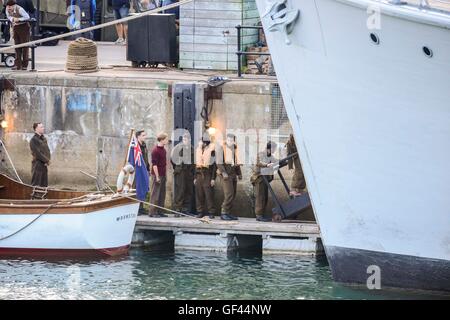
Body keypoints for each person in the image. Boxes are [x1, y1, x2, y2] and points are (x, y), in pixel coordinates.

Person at [217, 133, 242, 221]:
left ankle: (228, 213)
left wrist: (239, 173)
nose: (230, 142)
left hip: (233, 174)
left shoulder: (235, 149)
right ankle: (223, 213)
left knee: (233, 194)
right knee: (229, 194)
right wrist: (223, 173)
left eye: (231, 140)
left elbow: (236, 163)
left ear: (234, 141)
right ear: (226, 140)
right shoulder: (222, 148)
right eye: (228, 140)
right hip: (225, 174)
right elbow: (219, 162)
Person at [251, 141, 277, 222]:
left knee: (265, 197)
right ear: (270, 148)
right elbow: (259, 162)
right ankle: (259, 215)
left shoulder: (271, 156)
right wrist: (267, 165)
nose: (274, 150)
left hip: (265, 179)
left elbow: (276, 161)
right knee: (260, 197)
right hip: (259, 179)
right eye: (274, 149)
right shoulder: (261, 154)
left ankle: (262, 214)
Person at [171, 133, 195, 217]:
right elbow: (172, 159)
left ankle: (185, 209)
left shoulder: (192, 148)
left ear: (189, 140)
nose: (185, 141)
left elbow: (194, 161)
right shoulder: (178, 147)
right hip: (180, 172)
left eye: (187, 139)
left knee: (188, 191)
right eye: (184, 139)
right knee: (180, 190)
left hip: (189, 172)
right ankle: (178, 209)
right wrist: (177, 167)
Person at [194, 133, 217, 219]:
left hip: (208, 173)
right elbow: (195, 164)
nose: (199, 142)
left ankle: (211, 212)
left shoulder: (212, 150)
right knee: (199, 194)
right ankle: (200, 211)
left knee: (209, 194)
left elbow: (214, 165)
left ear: (205, 142)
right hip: (199, 173)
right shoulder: (198, 150)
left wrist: (213, 178)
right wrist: (195, 177)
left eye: (201, 141)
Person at [5, 0, 30, 70]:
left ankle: (25, 65)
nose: (8, 8)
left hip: (24, 27)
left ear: (14, 6)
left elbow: (27, 17)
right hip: (15, 27)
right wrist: (12, 19)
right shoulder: (7, 9)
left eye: (10, 7)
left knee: (25, 46)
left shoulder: (20, 9)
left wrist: (19, 19)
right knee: (17, 46)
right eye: (8, 7)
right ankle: (17, 65)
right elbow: (8, 16)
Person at [149, 132, 169, 217]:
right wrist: (157, 176)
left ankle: (160, 211)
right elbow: (154, 165)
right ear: (161, 140)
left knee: (162, 194)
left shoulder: (164, 150)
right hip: (157, 175)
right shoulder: (155, 151)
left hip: (163, 174)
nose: (167, 141)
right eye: (166, 139)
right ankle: (152, 212)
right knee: (155, 194)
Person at [29, 122, 50, 187]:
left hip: (44, 165)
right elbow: (37, 153)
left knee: (44, 184)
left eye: (43, 127)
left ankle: (43, 197)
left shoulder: (44, 139)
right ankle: (35, 196)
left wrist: (48, 160)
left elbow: (47, 150)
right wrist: (47, 160)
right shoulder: (33, 140)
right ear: (36, 129)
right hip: (37, 165)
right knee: (36, 184)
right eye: (41, 127)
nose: (43, 128)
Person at [135, 130, 150, 215]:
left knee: (143, 188)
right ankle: (137, 208)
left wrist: (148, 168)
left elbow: (146, 158)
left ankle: (141, 207)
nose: (145, 137)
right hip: (138, 170)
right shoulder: (135, 146)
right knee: (137, 188)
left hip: (144, 170)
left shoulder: (144, 146)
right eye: (143, 135)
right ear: (138, 137)